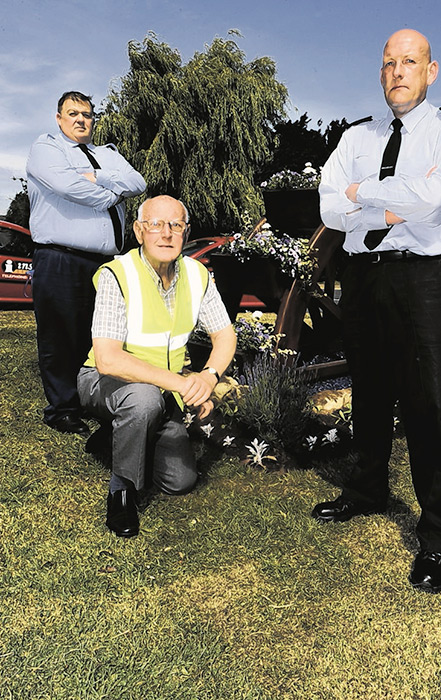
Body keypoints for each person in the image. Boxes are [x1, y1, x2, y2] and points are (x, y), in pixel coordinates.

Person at [313, 29, 441, 593]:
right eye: (389, 63)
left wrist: (364, 194)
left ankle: (439, 531)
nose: (398, 72)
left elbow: (436, 200)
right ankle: (366, 489)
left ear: (431, 71)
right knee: (371, 389)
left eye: (410, 62)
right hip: (364, 277)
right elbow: (330, 208)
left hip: (424, 278)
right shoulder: (358, 135)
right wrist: (383, 204)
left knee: (430, 401)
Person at [77, 195, 237, 538]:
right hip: (103, 381)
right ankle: (121, 492)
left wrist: (207, 378)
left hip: (161, 391)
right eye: (155, 224)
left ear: (186, 232)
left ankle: (113, 437)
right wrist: (182, 385)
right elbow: (107, 358)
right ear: (138, 231)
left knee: (181, 482)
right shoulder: (116, 274)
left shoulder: (198, 275)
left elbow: (225, 336)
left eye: (175, 225)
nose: (166, 233)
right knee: (143, 400)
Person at [26, 90, 146, 435]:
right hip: (60, 257)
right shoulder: (46, 148)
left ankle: (92, 399)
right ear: (59, 118)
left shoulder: (106, 154)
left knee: (100, 334)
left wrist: (102, 177)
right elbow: (68, 187)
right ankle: (62, 409)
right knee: (60, 335)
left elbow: (137, 182)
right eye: (73, 113)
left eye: (88, 114)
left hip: (104, 262)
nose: (81, 120)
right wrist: (112, 195)